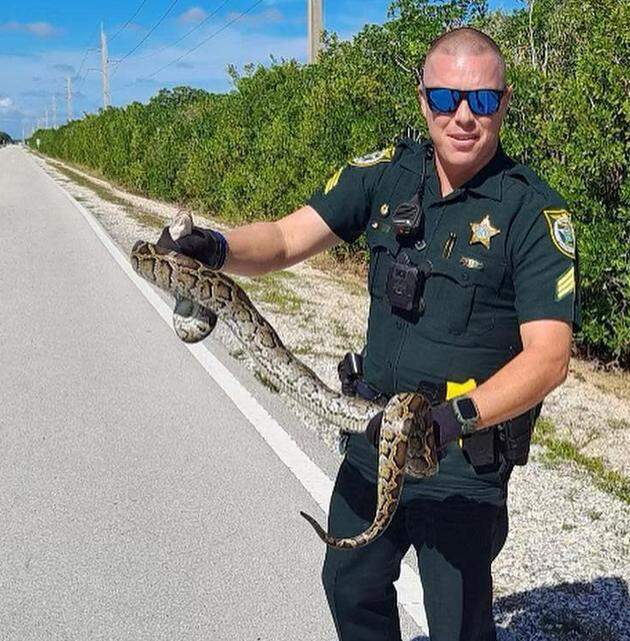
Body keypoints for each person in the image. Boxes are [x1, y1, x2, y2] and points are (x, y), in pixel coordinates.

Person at [158, 26, 579, 641]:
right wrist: (216, 247)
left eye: (482, 101)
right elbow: (281, 240)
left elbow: (549, 358)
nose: (463, 116)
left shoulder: (534, 213)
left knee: (458, 626)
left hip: (460, 456)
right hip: (368, 428)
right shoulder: (385, 175)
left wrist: (449, 420)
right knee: (349, 586)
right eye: (445, 98)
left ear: (504, 104)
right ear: (422, 98)